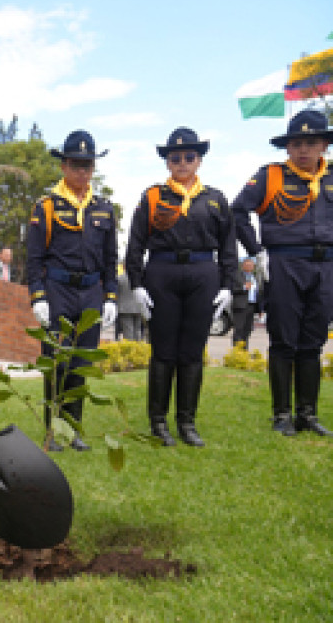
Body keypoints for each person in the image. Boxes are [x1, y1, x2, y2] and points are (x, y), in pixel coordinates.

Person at [125, 127, 236, 447]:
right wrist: (136, 282)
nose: (183, 162)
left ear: (199, 160)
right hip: (162, 272)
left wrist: (229, 283)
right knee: (164, 351)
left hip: (203, 273)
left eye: (190, 156)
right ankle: (158, 421)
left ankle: (186, 421)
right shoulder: (152, 196)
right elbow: (136, 243)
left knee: (191, 352)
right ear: (167, 162)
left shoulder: (215, 199)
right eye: (176, 157)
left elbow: (228, 245)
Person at [232, 109, 333, 437]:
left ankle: (308, 414)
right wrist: (257, 250)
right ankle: (282, 415)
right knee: (284, 340)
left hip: (326, 265)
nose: (303, 149)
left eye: (311, 142)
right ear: (287, 147)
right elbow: (238, 211)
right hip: (285, 262)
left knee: (313, 342)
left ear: (323, 145)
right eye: (296, 143)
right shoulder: (270, 176)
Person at [26, 130, 118, 452]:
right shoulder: (46, 207)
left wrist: (110, 296)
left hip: (91, 291)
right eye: (76, 165)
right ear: (64, 166)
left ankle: (74, 429)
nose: (82, 171)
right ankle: (53, 429)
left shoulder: (104, 208)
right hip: (57, 290)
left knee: (80, 364)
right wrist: (37, 296)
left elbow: (110, 259)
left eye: (88, 165)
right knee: (55, 362)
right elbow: (34, 258)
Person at [231, 257, 263, 349]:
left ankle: (244, 351)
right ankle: (237, 351)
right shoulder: (237, 276)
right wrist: (244, 287)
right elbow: (232, 289)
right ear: (242, 265)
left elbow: (258, 293)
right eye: (247, 264)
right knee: (239, 329)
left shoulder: (255, 277)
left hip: (252, 306)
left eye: (251, 265)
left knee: (247, 330)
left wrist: (260, 309)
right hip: (241, 306)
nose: (249, 266)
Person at [116, 264, 143, 341]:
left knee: (128, 331)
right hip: (139, 307)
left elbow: (117, 294)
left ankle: (130, 350)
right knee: (138, 330)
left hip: (124, 308)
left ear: (124, 266)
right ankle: (138, 349)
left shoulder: (120, 278)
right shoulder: (141, 278)